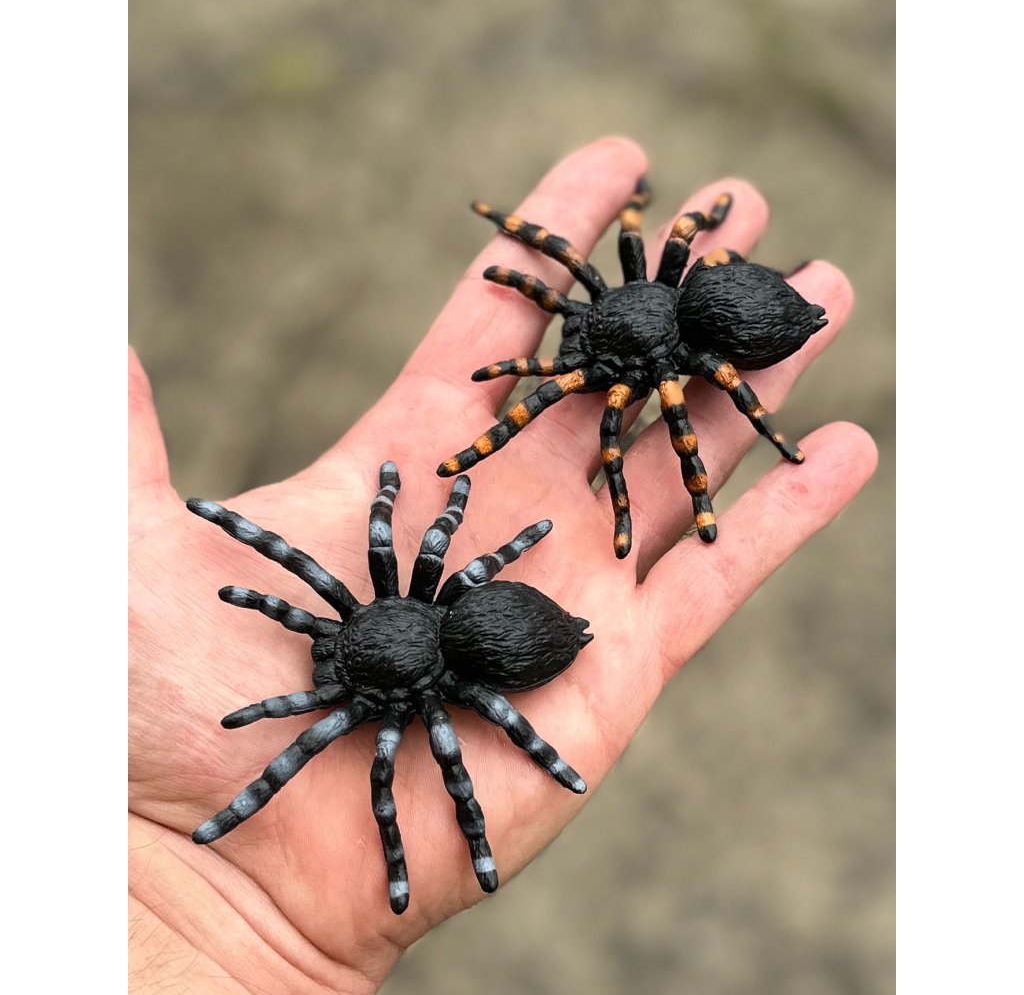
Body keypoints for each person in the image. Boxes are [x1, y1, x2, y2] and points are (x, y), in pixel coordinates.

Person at [128, 137, 876, 994]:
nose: (571, 334)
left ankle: (712, 443)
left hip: (681, 355)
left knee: (614, 408)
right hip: (496, 615)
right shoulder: (419, 590)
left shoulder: (645, 366)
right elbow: (390, 545)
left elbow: (348, 600)